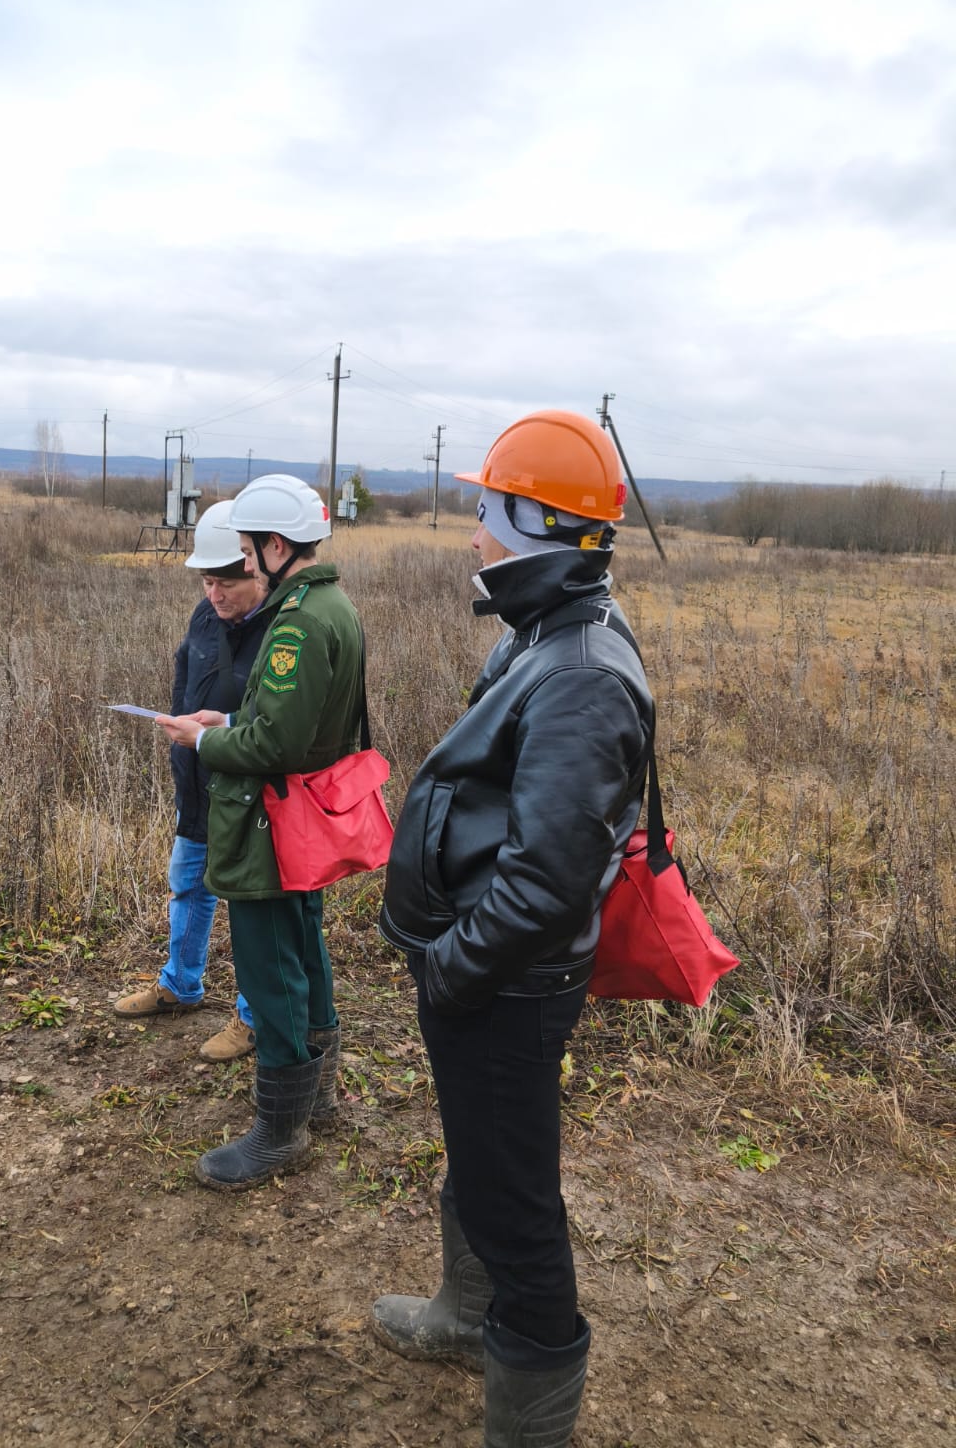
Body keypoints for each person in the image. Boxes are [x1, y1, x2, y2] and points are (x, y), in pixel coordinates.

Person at [372, 411, 654, 1448]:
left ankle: (527, 1418)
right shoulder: (545, 631)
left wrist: (450, 970)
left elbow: (545, 881)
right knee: (484, 1162)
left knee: (517, 1203)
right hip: (495, 977)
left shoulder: (579, 671)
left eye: (485, 509)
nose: (474, 531)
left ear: (537, 520)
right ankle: (461, 1315)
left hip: (506, 984)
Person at [156, 474, 365, 1190]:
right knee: (305, 951)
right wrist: (231, 721)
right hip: (304, 818)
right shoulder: (334, 606)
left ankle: (280, 1129)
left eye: (248, 551)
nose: (244, 565)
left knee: (270, 964)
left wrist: (205, 740)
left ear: (278, 547)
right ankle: (322, 1099)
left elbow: (275, 745)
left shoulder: (298, 623)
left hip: (272, 824)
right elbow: (294, 729)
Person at [113, 500, 266, 1062]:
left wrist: (218, 734)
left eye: (224, 581)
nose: (213, 594)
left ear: (255, 567)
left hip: (252, 795)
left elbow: (284, 726)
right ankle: (180, 985)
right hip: (197, 783)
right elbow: (186, 679)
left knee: (251, 903)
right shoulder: (206, 615)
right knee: (188, 882)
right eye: (206, 581)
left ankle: (255, 1017)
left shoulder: (283, 629)